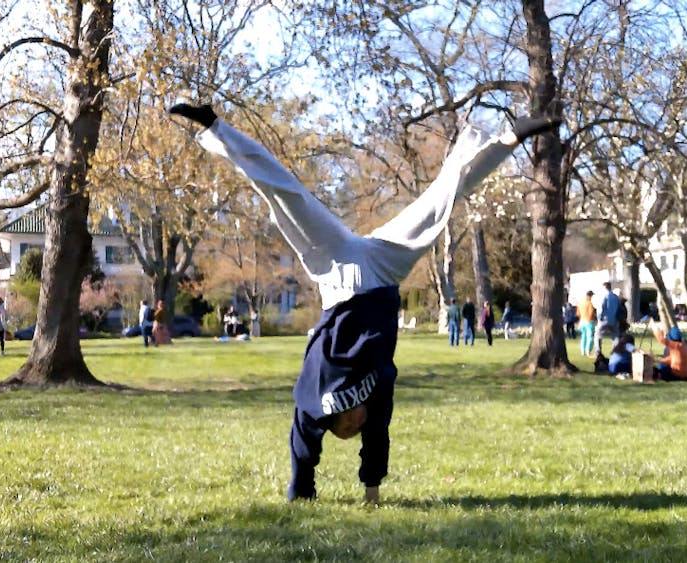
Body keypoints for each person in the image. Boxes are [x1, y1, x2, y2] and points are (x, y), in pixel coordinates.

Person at [170, 101, 558, 504]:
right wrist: (371, 494)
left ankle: (215, 126)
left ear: (338, 418)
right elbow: (377, 440)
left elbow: (302, 440)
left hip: (335, 266)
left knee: (285, 192)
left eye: (350, 426)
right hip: (385, 266)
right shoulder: (376, 393)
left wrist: (301, 489)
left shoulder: (315, 396)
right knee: (440, 200)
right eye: (360, 424)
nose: (360, 423)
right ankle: (511, 137)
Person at [594, 281, 621, 357]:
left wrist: (599, 318)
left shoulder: (603, 296)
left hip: (604, 319)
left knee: (597, 336)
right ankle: (615, 351)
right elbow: (619, 308)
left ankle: (598, 352)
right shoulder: (615, 297)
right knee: (615, 336)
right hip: (614, 320)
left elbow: (601, 308)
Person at [577, 290, 596, 357]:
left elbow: (578, 313)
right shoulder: (589, 303)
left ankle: (582, 351)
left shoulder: (581, 303)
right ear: (590, 296)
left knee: (583, 337)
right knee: (590, 337)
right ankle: (588, 350)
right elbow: (591, 313)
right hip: (589, 321)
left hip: (582, 321)